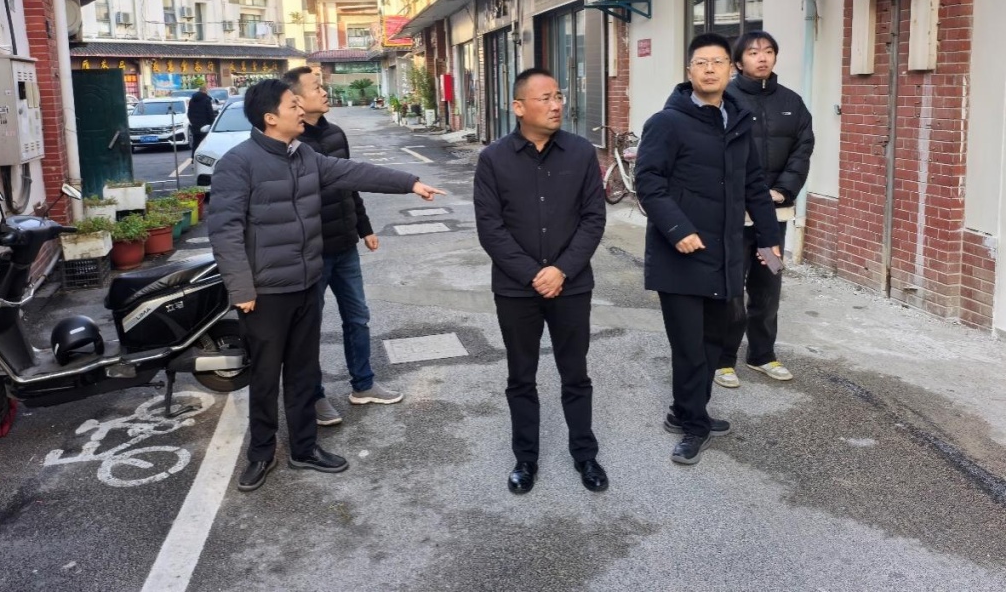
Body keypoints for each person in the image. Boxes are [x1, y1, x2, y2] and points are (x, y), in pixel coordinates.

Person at [208, 78, 444, 492]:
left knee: (303, 373)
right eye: (292, 105)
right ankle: (261, 453)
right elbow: (225, 231)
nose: (301, 111)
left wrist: (409, 182)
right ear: (271, 117)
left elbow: (353, 172)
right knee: (265, 377)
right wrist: (241, 288)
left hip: (306, 283)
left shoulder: (305, 156)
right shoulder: (238, 164)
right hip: (264, 294)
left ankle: (304, 449)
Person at [635, 34, 781, 466]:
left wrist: (769, 239)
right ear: (689, 71)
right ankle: (694, 425)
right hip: (680, 253)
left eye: (718, 62)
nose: (711, 69)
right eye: (702, 62)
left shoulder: (738, 120)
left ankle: (683, 410)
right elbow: (649, 182)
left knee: (715, 338)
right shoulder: (667, 122)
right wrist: (677, 228)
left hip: (726, 251)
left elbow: (753, 183)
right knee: (690, 346)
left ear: (730, 70)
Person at [473, 67, 609, 495]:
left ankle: (585, 454)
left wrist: (561, 269)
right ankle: (525, 458)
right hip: (516, 289)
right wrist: (534, 274)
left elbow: (593, 219)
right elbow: (490, 228)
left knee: (576, 373)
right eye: (545, 98)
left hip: (571, 285)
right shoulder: (493, 159)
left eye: (559, 96)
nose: (556, 105)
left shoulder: (581, 153)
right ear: (519, 107)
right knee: (521, 376)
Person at [286, 66, 403, 427]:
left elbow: (349, 182)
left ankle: (363, 384)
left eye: (322, 87)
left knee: (357, 316)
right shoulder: (291, 143)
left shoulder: (335, 133)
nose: (324, 92)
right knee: (309, 327)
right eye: (316, 88)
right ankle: (315, 396)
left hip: (345, 244)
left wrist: (364, 227)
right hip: (311, 251)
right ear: (296, 99)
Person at [716, 31, 815, 389]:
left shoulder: (791, 102)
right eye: (754, 52)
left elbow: (802, 149)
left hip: (773, 216)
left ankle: (762, 354)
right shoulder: (724, 100)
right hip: (732, 216)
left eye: (769, 51)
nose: (762, 58)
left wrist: (782, 191)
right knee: (730, 287)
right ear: (738, 61)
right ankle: (722, 359)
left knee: (768, 284)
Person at [187, 84, 215, 151]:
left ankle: (194, 155)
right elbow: (210, 113)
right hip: (205, 126)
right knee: (205, 143)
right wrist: (213, 123)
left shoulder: (192, 100)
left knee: (196, 143)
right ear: (204, 91)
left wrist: (193, 122)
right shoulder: (206, 100)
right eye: (207, 90)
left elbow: (189, 113)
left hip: (195, 126)